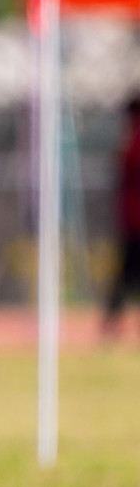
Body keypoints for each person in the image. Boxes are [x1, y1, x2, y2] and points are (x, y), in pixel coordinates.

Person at [105, 95, 140, 336]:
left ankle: (112, 321)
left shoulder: (132, 144)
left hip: (133, 220)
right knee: (125, 274)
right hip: (132, 220)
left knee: (125, 274)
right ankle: (112, 321)